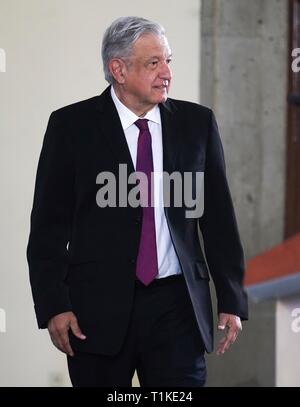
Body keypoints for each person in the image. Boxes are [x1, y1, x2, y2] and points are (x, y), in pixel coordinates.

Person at [27, 16, 248, 387]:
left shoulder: (197, 124)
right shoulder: (71, 127)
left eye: (169, 61)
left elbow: (219, 221)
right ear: (119, 70)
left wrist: (231, 297)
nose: (166, 73)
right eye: (153, 63)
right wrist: (54, 305)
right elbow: (48, 227)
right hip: (95, 311)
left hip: (176, 307)